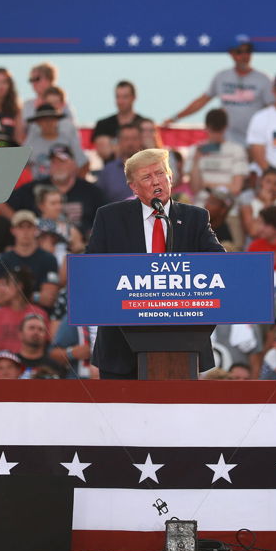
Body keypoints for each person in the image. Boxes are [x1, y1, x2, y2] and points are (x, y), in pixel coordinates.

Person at [86, 148, 225, 379]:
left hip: (182, 342)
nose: (156, 181)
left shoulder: (195, 218)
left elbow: (221, 266)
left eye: (160, 174)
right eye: (147, 177)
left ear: (171, 177)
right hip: (120, 346)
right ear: (133, 186)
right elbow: (91, 270)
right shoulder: (110, 217)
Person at [163, 39, 273, 148]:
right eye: (239, 52)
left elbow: (274, 108)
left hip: (255, 141)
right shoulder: (221, 77)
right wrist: (174, 118)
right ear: (232, 54)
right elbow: (202, 101)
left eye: (248, 51)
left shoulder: (264, 79)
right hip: (227, 140)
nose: (244, 56)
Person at [187, 108, 248, 200]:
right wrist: (196, 161)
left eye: (218, 130)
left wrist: (207, 185)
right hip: (201, 206)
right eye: (212, 130)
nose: (215, 135)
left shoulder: (237, 151)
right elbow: (195, 188)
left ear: (225, 128)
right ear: (206, 127)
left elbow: (236, 188)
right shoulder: (195, 150)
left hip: (226, 206)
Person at [26, 106, 87, 181]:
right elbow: (21, 166)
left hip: (64, 184)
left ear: (57, 121)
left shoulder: (67, 140)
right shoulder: (31, 143)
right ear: (38, 123)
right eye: (43, 120)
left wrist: (75, 185)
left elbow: (84, 164)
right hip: (39, 187)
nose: (48, 123)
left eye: (51, 119)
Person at [92, 80, 147, 162]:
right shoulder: (103, 125)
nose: (120, 101)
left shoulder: (145, 124)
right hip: (112, 172)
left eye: (125, 97)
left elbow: (151, 152)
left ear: (134, 97)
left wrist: (114, 145)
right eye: (118, 97)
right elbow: (104, 152)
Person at [95, 121, 142, 204]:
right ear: (119, 141)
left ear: (141, 141)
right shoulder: (108, 171)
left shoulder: (150, 168)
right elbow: (98, 201)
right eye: (126, 139)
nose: (130, 143)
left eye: (134, 138)